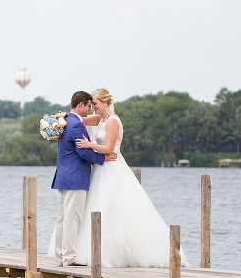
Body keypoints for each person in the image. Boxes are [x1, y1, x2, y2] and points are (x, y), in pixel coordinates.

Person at [73, 88, 190, 267]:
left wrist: (89, 144)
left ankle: (122, 253)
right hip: (100, 168)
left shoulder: (112, 121)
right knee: (100, 207)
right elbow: (80, 118)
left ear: (104, 102)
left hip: (112, 166)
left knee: (117, 207)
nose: (92, 107)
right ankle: (101, 250)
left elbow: (110, 148)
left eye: (95, 103)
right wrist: (62, 118)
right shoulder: (101, 119)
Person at [50, 91, 117, 267]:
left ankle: (60, 258)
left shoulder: (65, 121)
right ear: (81, 105)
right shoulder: (76, 125)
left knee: (63, 219)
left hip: (64, 177)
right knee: (73, 219)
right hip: (75, 178)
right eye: (88, 105)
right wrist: (103, 159)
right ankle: (69, 258)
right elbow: (83, 151)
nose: (90, 109)